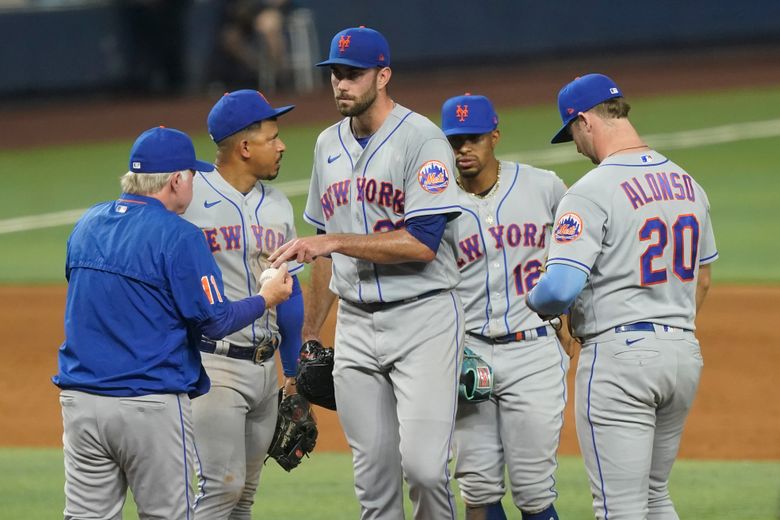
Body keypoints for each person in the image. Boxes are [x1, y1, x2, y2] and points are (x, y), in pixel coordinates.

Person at [269, 26, 464, 520]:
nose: (341, 84)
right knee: (373, 481)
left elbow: (422, 243)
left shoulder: (422, 139)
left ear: (383, 75)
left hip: (422, 320)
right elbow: (322, 255)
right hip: (355, 325)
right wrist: (310, 335)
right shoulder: (326, 144)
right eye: (335, 73)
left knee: (424, 469)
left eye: (353, 75)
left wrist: (334, 240)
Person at [52, 126, 293, 520]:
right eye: (193, 177)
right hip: (149, 403)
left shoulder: (87, 224)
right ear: (177, 180)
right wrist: (265, 299)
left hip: (81, 402)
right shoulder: (180, 236)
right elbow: (215, 321)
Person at [526, 73, 718, 519]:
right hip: (683, 353)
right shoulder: (688, 183)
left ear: (586, 121)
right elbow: (703, 279)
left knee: (619, 509)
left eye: (571, 131)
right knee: (655, 497)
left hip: (620, 361)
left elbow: (559, 289)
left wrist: (535, 299)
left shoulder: (590, 191)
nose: (574, 145)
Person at [440, 93, 577, 520]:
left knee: (535, 489)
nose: (463, 148)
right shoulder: (434, 205)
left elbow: (579, 254)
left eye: (474, 138)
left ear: (494, 135)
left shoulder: (544, 186)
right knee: (477, 488)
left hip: (533, 349)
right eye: (455, 139)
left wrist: (572, 322)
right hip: (467, 353)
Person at [181, 89, 302, 519]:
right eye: (273, 137)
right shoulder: (189, 198)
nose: (283, 145)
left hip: (265, 370)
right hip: (214, 364)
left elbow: (291, 293)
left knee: (244, 496)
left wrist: (295, 375)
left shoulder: (279, 205)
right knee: (220, 490)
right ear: (245, 147)